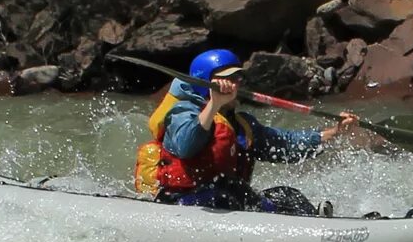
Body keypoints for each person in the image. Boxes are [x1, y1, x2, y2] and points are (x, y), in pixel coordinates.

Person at [135, 50, 360, 212]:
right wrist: (213, 104)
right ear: (207, 83)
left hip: (232, 199)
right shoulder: (182, 113)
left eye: (237, 78)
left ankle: (318, 229)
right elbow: (186, 146)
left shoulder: (242, 124)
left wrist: (334, 132)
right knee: (229, 191)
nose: (236, 84)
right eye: (229, 79)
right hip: (184, 202)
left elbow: (284, 144)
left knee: (287, 194)